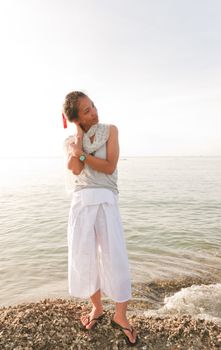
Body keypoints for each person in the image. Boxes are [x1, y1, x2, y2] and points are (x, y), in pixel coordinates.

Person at [62, 91, 139, 346]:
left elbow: (109, 166)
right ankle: (96, 309)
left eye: (92, 105)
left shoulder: (111, 131)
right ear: (76, 119)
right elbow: (76, 169)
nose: (94, 111)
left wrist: (82, 153)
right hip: (82, 203)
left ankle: (120, 316)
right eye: (86, 111)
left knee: (114, 256)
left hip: (106, 200)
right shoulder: (72, 141)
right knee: (85, 257)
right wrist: (79, 139)